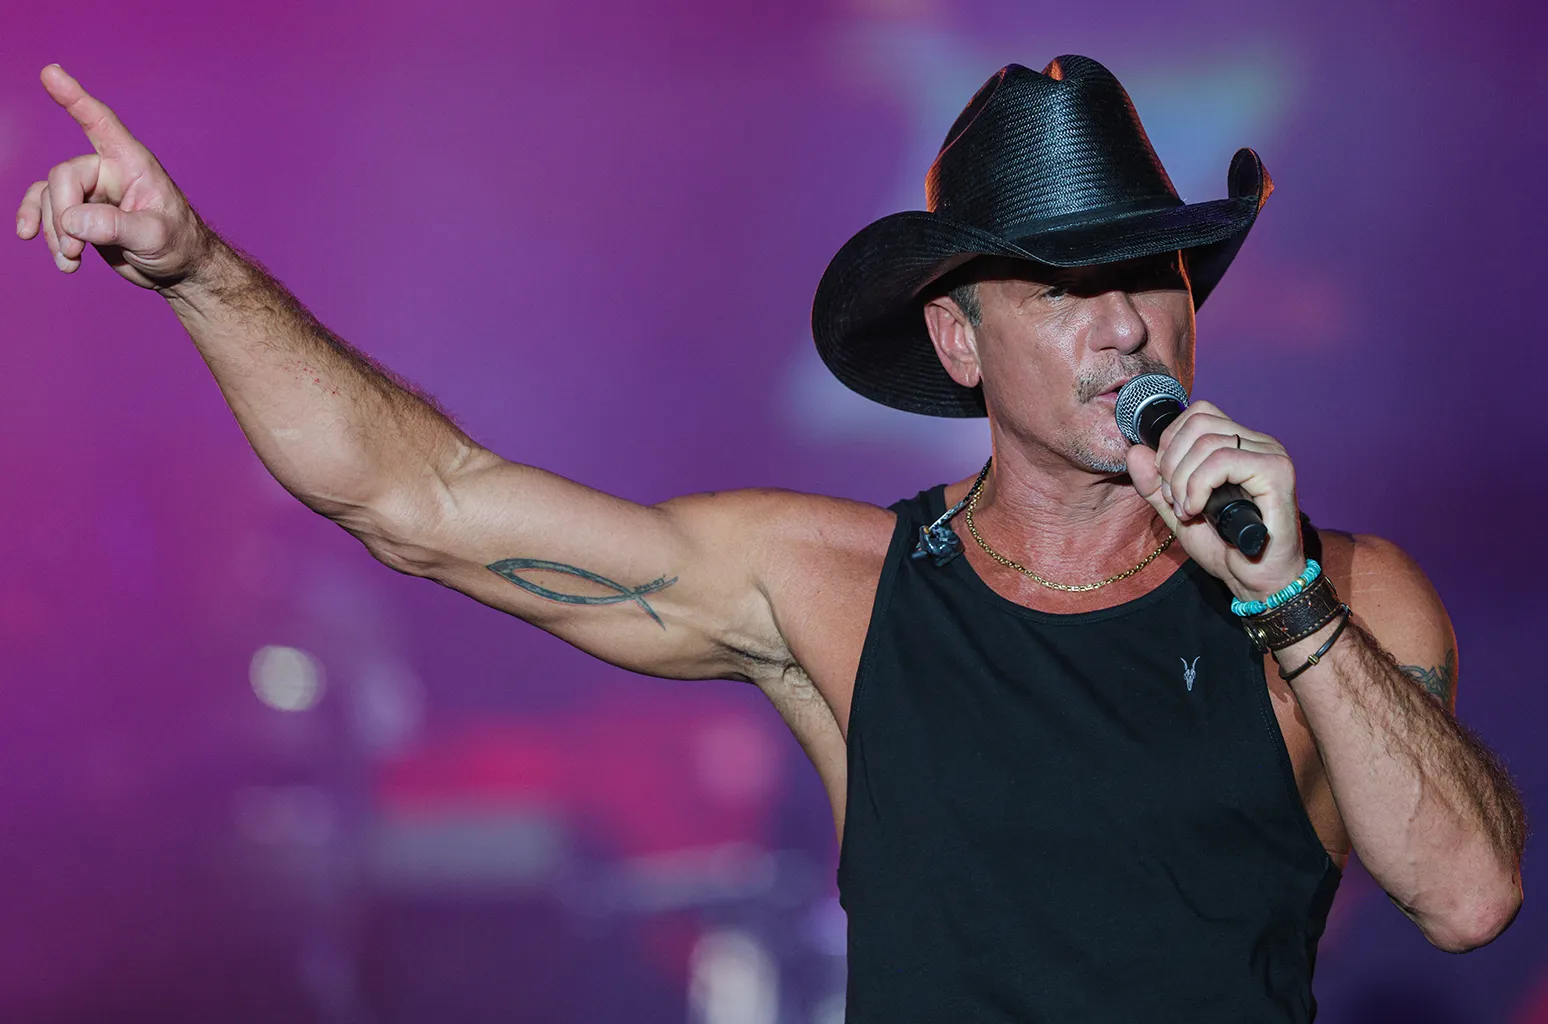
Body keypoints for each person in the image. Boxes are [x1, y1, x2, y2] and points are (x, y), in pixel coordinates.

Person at [18, 54, 1524, 1021]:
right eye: (1063, 288)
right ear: (958, 340)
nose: (1125, 324)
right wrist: (199, 270)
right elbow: (426, 503)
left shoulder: (1339, 589)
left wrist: (1287, 599)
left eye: (1150, 273)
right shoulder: (840, 590)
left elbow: (1470, 899)